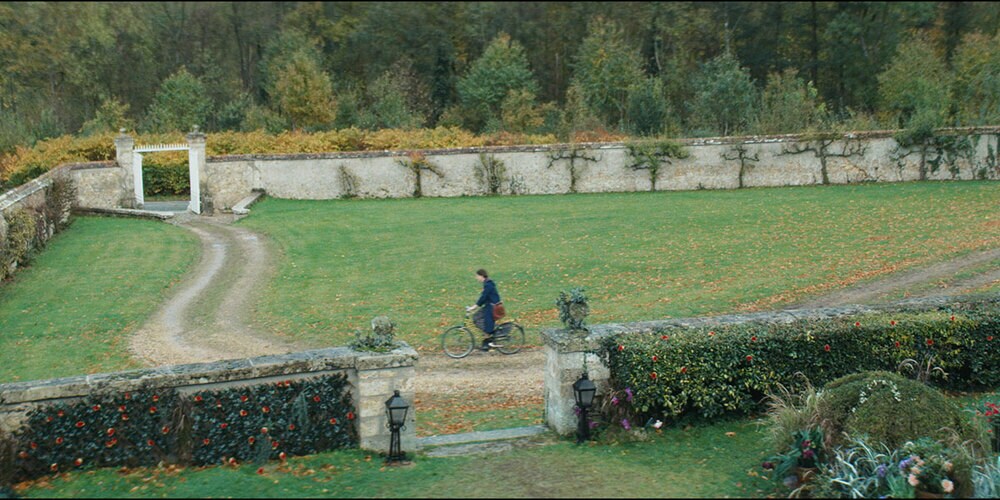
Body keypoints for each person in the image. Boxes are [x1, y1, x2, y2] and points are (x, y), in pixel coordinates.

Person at [467, 268, 501, 351]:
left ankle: (490, 336)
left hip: (492, 307)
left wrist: (474, 307)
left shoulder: (488, 285)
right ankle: (487, 341)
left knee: (479, 320)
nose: (476, 278)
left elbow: (483, 297)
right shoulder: (487, 283)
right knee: (478, 318)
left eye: (477, 276)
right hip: (489, 306)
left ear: (482, 276)